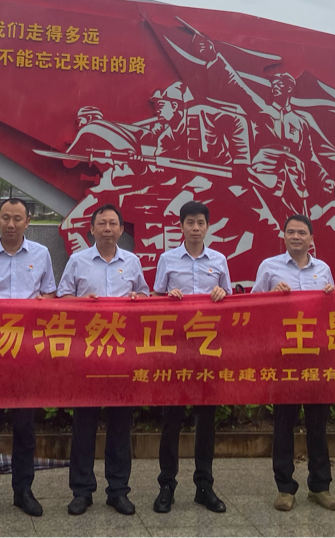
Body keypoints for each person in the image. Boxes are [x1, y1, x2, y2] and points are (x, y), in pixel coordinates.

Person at [0, 198, 56, 520]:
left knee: (25, 426)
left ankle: (23, 490)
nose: (11, 224)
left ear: (28, 221)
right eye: (5, 217)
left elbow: (50, 294)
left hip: (27, 353)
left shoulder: (41, 254)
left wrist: (42, 303)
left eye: (18, 218)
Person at [58, 203, 149, 517]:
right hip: (87, 355)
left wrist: (138, 299)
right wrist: (80, 302)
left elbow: (145, 297)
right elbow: (62, 299)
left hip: (122, 356)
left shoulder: (132, 262)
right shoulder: (77, 261)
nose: (107, 228)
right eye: (102, 223)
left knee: (121, 425)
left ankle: (118, 490)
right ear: (92, 229)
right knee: (83, 424)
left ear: (121, 230)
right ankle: (82, 491)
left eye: (113, 223)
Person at [251, 214, 335, 512]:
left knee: (318, 423)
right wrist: (271, 296)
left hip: (316, 355)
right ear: (284, 236)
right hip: (284, 355)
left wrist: (331, 297)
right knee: (283, 423)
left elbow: (333, 312)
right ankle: (285, 487)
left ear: (311, 238)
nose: (296, 237)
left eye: (302, 232)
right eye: (291, 232)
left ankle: (320, 486)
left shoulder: (323, 269)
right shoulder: (269, 267)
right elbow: (254, 307)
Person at [151, 201, 230, 514]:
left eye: (200, 223)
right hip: (176, 351)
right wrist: (167, 298)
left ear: (207, 227)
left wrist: (222, 295)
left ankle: (204, 486)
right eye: (190, 223)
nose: (195, 228)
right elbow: (155, 298)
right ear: (181, 226)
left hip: (208, 352)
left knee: (206, 421)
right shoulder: (167, 259)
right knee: (171, 420)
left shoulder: (219, 260)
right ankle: (166, 485)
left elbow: (229, 302)